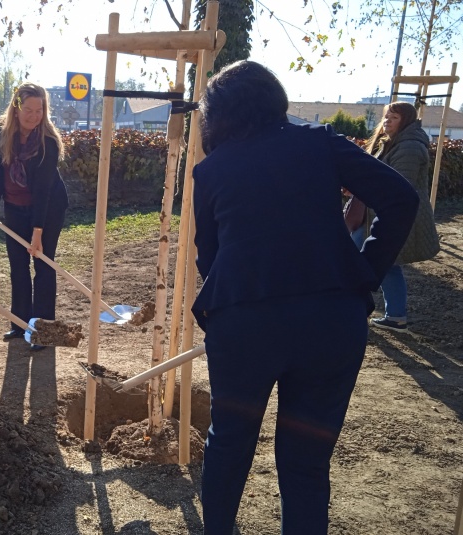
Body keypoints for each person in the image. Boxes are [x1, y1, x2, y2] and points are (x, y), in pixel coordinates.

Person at [190, 61, 419, 534]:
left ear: (218, 115)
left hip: (245, 326)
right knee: (307, 463)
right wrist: (363, 275)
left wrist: (229, 311)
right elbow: (401, 199)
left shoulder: (212, 170)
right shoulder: (320, 143)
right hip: (332, 322)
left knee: (229, 446)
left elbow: (208, 258)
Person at [0, 82, 68, 351]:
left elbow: (42, 190)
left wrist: (37, 234)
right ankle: (19, 324)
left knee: (43, 265)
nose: (34, 116)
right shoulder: (0, 135)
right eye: (29, 110)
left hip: (48, 209)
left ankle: (44, 330)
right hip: (14, 207)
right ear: (16, 109)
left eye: (39, 110)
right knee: (17, 265)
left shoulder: (48, 141)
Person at [362, 101, 441, 332]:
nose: (387, 121)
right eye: (386, 117)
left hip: (393, 215)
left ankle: (365, 311)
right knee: (385, 264)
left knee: (373, 261)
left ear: (405, 120)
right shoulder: (392, 143)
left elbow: (399, 184)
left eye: (393, 118)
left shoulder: (409, 147)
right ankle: (395, 316)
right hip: (381, 212)